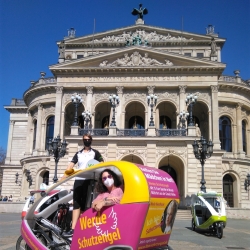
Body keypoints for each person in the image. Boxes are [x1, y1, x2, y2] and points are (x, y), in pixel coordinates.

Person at [62, 133, 104, 237]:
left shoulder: (95, 153)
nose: (87, 141)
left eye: (88, 139)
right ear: (83, 141)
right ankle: (73, 229)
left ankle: (83, 228)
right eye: (85, 139)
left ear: (91, 141)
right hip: (79, 180)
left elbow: (103, 163)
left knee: (86, 205)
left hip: (89, 180)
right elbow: (70, 166)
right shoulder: (78, 154)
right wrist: (63, 178)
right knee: (76, 204)